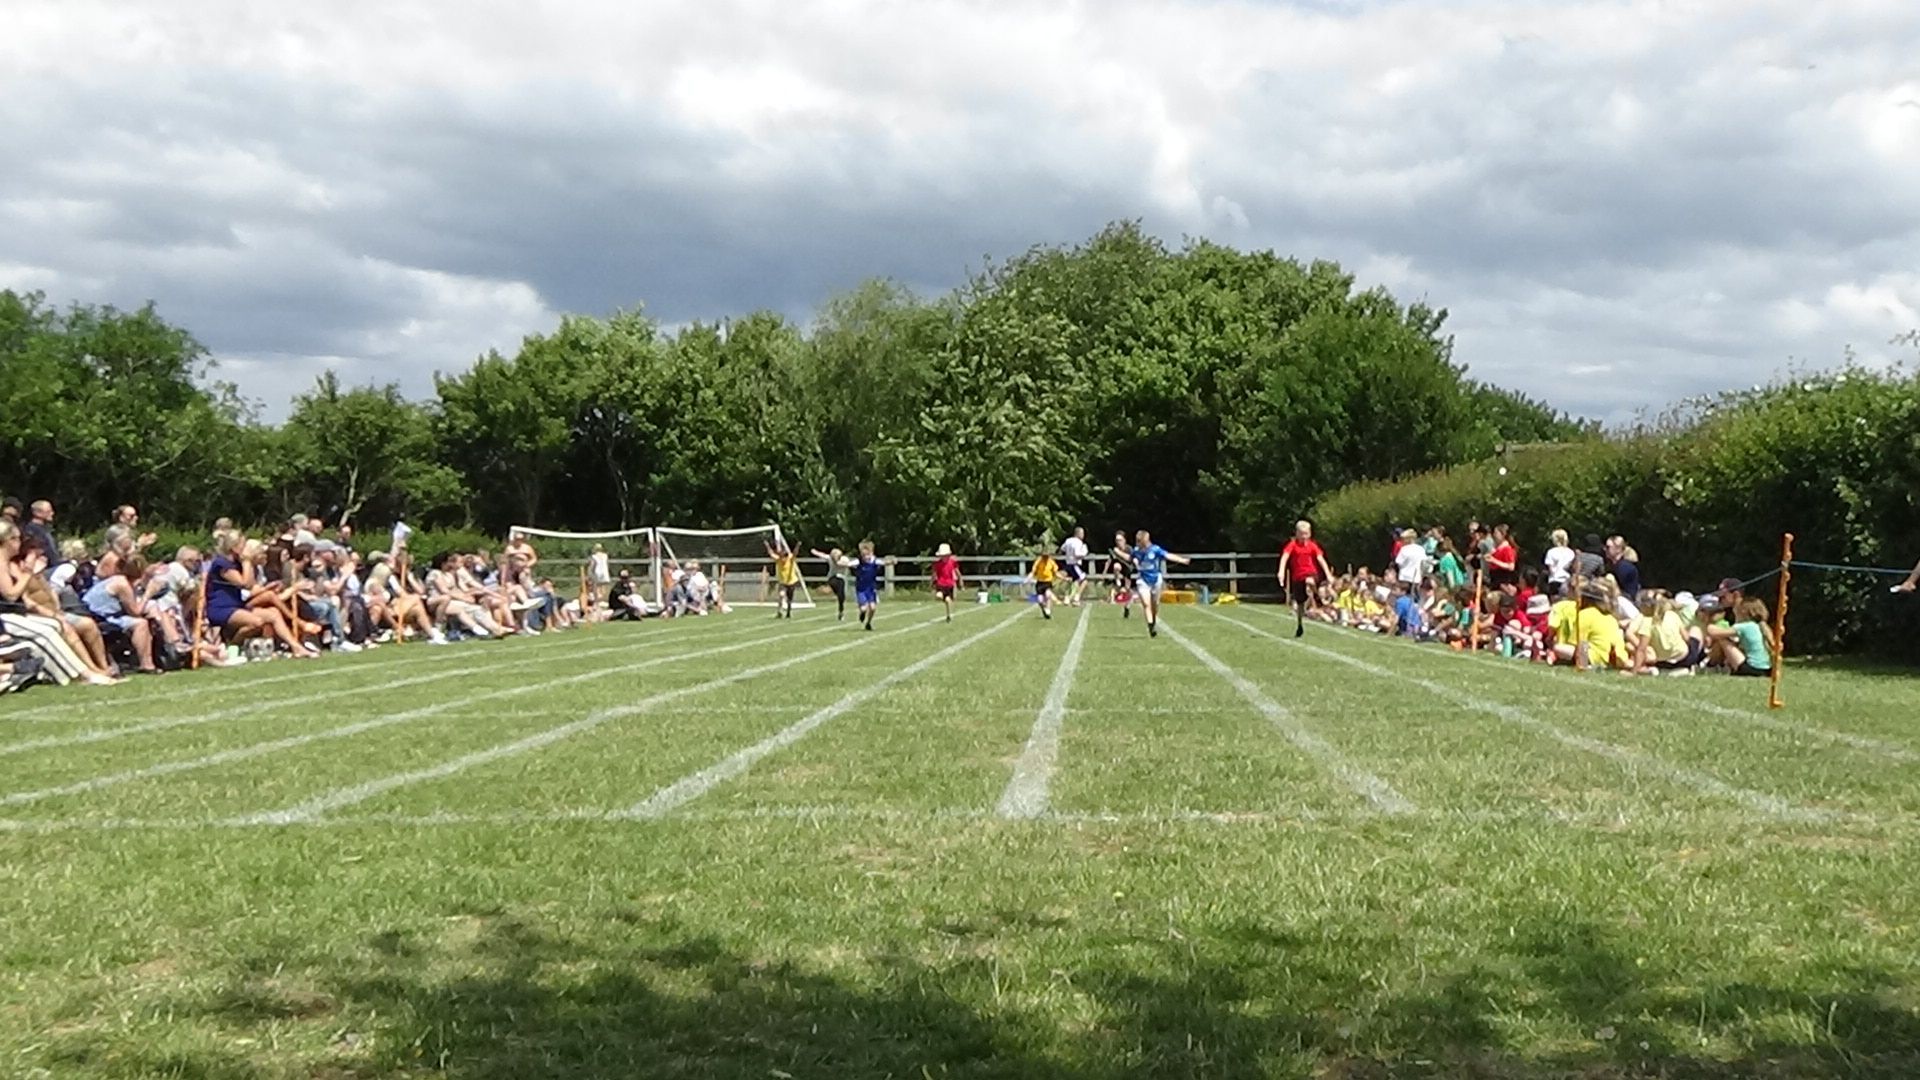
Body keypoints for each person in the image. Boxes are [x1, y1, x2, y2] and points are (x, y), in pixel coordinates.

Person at [1279, 520, 1335, 638]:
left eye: (1306, 534)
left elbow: (1320, 559)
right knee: (1300, 603)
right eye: (1301, 534)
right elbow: (1285, 557)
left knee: (1309, 581)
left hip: (1311, 574)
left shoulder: (1312, 545)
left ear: (1310, 534)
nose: (1304, 536)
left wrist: (1328, 574)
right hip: (1297, 577)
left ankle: (1317, 597)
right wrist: (1281, 571)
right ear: (1297, 533)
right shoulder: (1292, 545)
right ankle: (1300, 624)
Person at [1130, 530, 1190, 638]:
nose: (1137, 543)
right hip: (1143, 580)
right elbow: (1131, 558)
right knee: (1146, 604)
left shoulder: (1155, 549)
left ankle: (1153, 621)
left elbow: (1167, 555)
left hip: (1156, 579)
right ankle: (1150, 627)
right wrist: (1134, 561)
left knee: (1155, 604)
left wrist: (1181, 560)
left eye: (1139, 541)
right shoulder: (1136, 551)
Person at [1707, 597, 1775, 677]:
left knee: (1722, 640)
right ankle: (1719, 665)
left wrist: (1710, 621)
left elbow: (1713, 632)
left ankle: (1710, 665)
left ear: (1743, 612)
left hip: (1752, 668)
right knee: (1731, 641)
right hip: (1766, 670)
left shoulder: (1745, 626)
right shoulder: (1761, 626)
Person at [849, 541, 894, 630]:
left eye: (867, 555)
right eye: (864, 555)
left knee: (873, 608)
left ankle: (868, 623)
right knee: (863, 608)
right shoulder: (858, 562)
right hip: (861, 588)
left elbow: (884, 563)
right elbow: (849, 564)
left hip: (871, 588)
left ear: (871, 553)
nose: (866, 557)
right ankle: (862, 614)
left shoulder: (874, 561)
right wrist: (841, 562)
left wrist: (891, 562)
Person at [809, 546, 851, 621]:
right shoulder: (830, 558)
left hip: (841, 578)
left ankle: (841, 612)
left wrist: (839, 563)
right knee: (833, 584)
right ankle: (825, 590)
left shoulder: (844, 559)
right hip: (832, 578)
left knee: (841, 597)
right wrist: (814, 551)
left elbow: (846, 564)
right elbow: (822, 555)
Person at [765, 538, 803, 619]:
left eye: (784, 557)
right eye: (781, 557)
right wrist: (767, 546)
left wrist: (797, 546)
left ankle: (788, 612)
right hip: (783, 582)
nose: (782, 559)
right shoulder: (778, 560)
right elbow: (771, 554)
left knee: (789, 599)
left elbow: (795, 553)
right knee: (781, 595)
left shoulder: (790, 559)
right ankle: (779, 611)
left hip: (791, 581)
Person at [1105, 530, 1136, 618]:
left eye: (1120, 540)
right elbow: (1109, 561)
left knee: (1127, 590)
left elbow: (1129, 559)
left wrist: (1118, 552)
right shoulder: (1114, 549)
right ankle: (1117, 581)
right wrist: (1104, 572)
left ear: (1124, 540)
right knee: (1116, 566)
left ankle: (1127, 607)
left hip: (1128, 571)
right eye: (1117, 540)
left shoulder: (1129, 549)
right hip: (1119, 570)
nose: (1118, 542)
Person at [931, 543, 963, 622]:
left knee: (948, 600)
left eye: (945, 555)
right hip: (940, 584)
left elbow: (958, 573)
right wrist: (932, 583)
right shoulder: (937, 564)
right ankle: (944, 598)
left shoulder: (952, 562)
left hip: (949, 585)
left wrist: (960, 582)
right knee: (939, 596)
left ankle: (949, 615)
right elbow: (934, 574)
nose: (944, 557)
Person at [1059, 527, 1090, 607]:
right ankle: (1076, 598)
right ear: (1078, 533)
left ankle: (1067, 598)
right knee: (1084, 580)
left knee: (1072, 582)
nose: (1083, 535)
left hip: (1068, 564)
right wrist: (1084, 553)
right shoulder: (1078, 542)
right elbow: (1077, 554)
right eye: (1082, 533)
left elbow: (1061, 550)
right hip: (1075, 564)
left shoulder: (1068, 540)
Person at [1605, 535, 1642, 600]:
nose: (1605, 549)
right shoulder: (1614, 565)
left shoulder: (1625, 567)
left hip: (1626, 601)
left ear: (1618, 549)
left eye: (1608, 547)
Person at [1029, 544, 1059, 620]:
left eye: (1047, 556)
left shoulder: (1051, 562)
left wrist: (1064, 578)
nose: (1045, 558)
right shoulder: (1038, 561)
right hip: (1040, 583)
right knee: (1040, 600)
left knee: (1048, 595)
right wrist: (1028, 578)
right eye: (1044, 556)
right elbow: (1033, 571)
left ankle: (1048, 609)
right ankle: (1044, 609)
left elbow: (1056, 572)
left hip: (1048, 582)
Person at [1543, 529, 1576, 595]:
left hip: (1554, 580)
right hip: (1567, 580)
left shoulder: (1551, 552)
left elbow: (1550, 568)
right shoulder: (1571, 552)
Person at [1487, 524, 1519, 590]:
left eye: (1496, 533)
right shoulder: (1498, 548)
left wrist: (1494, 560)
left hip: (1503, 579)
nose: (1494, 535)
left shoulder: (1507, 549)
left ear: (1503, 534)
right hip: (1495, 579)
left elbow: (1511, 566)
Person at [588, 543, 612, 610]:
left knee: (596, 588)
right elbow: (607, 564)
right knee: (604, 587)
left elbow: (592, 565)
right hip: (604, 572)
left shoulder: (594, 556)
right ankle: (603, 600)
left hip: (597, 572)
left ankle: (597, 602)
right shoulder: (605, 556)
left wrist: (589, 573)